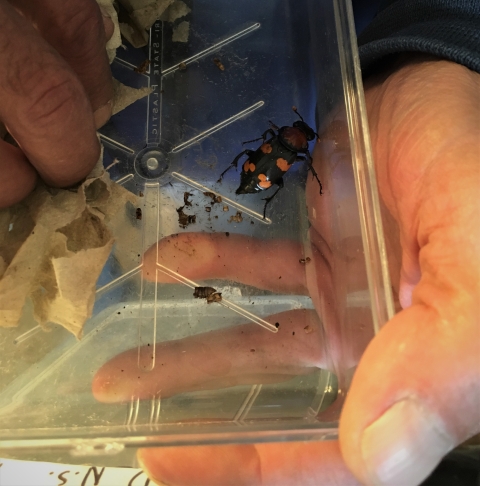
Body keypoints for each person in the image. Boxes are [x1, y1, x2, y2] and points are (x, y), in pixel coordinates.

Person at [1, 1, 478, 485]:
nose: (296, 139)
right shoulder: (291, 147)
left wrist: (438, 43)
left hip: (332, 51)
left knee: (235, 196)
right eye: (298, 136)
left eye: (296, 137)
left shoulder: (286, 145)